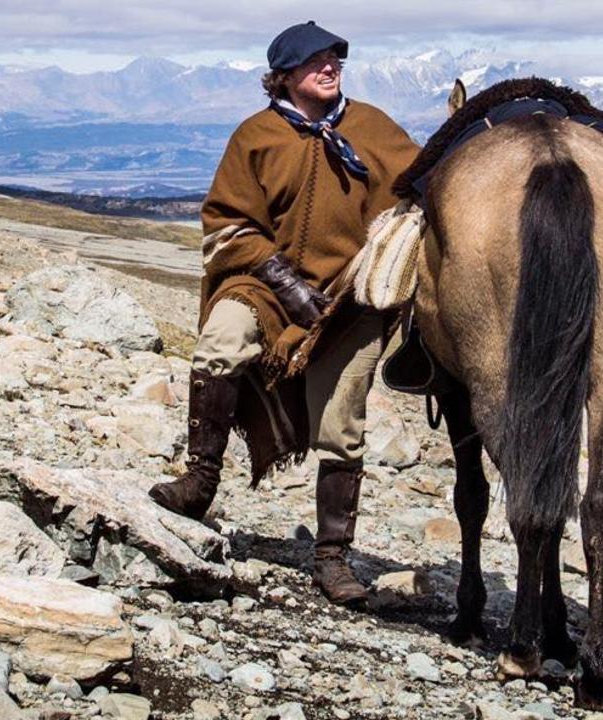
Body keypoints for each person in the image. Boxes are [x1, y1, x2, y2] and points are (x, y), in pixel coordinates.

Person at [149, 21, 420, 606]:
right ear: (285, 75)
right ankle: (200, 482)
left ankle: (331, 557)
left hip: (348, 299)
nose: (331, 67)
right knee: (222, 338)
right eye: (317, 60)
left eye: (336, 60)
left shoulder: (373, 128)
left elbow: (421, 190)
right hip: (263, 283)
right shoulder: (256, 135)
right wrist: (283, 281)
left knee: (343, 422)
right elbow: (226, 222)